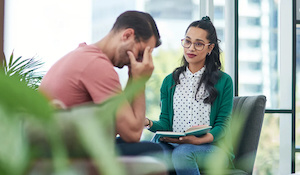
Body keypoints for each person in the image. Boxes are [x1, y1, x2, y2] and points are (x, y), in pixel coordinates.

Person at [39, 10, 163, 156]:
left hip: (63, 147)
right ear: (127, 35)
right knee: (155, 151)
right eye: (141, 53)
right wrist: (140, 81)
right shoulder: (97, 65)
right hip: (68, 153)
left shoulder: (84, 55)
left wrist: (133, 76)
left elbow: (122, 124)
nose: (140, 61)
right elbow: (133, 134)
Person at [144, 16, 235, 175]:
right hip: (176, 144)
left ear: (210, 48)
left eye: (198, 44)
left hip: (211, 149)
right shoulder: (169, 81)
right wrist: (148, 122)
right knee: (154, 152)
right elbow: (166, 123)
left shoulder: (224, 81)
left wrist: (198, 140)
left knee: (182, 153)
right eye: (187, 41)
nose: (191, 48)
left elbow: (222, 126)